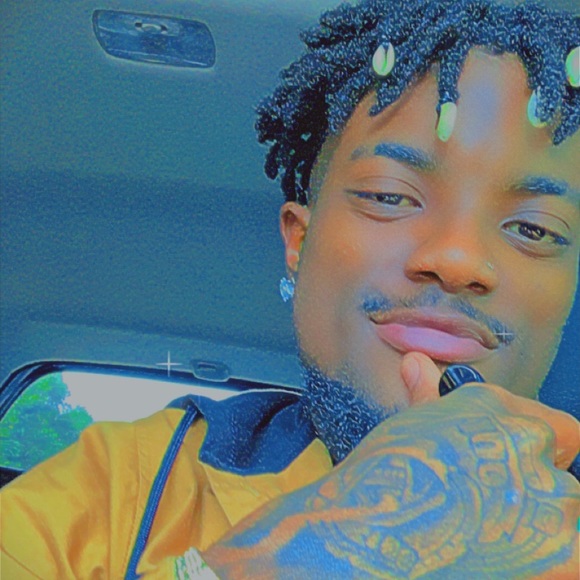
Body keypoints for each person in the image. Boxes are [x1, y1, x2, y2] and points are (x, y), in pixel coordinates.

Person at [2, 0, 579, 578]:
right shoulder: (120, 488)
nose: (457, 260)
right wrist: (331, 546)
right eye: (388, 196)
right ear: (299, 242)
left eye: (535, 229)